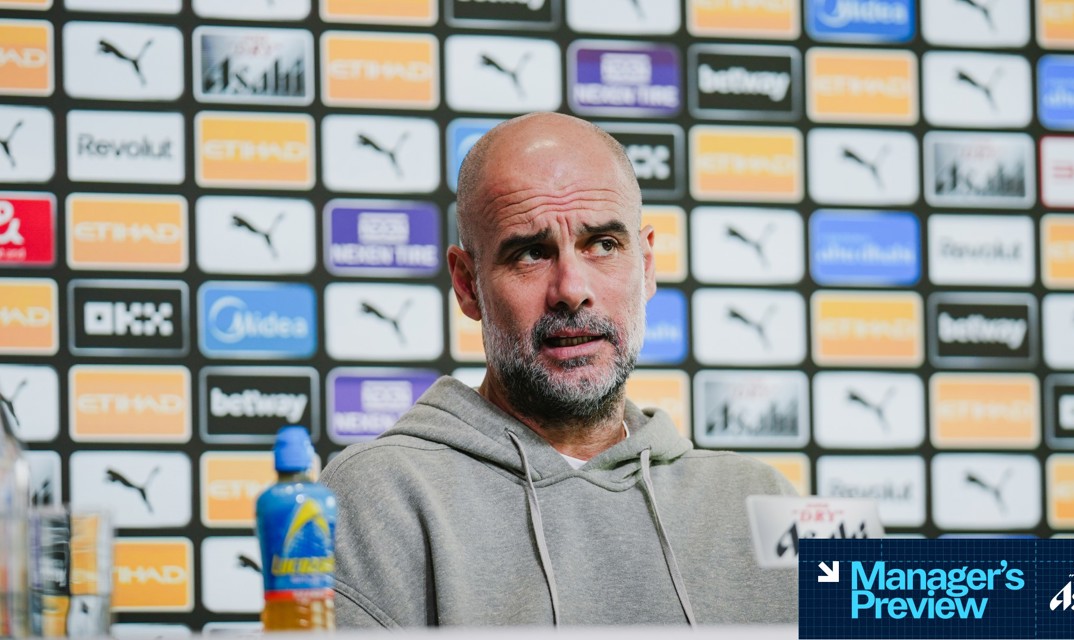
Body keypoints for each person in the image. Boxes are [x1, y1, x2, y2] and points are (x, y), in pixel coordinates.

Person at [320, 112, 798, 627]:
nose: (571, 288)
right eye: (531, 252)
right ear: (467, 284)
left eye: (604, 245)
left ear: (647, 265)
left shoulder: (764, 497)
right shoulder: (375, 497)